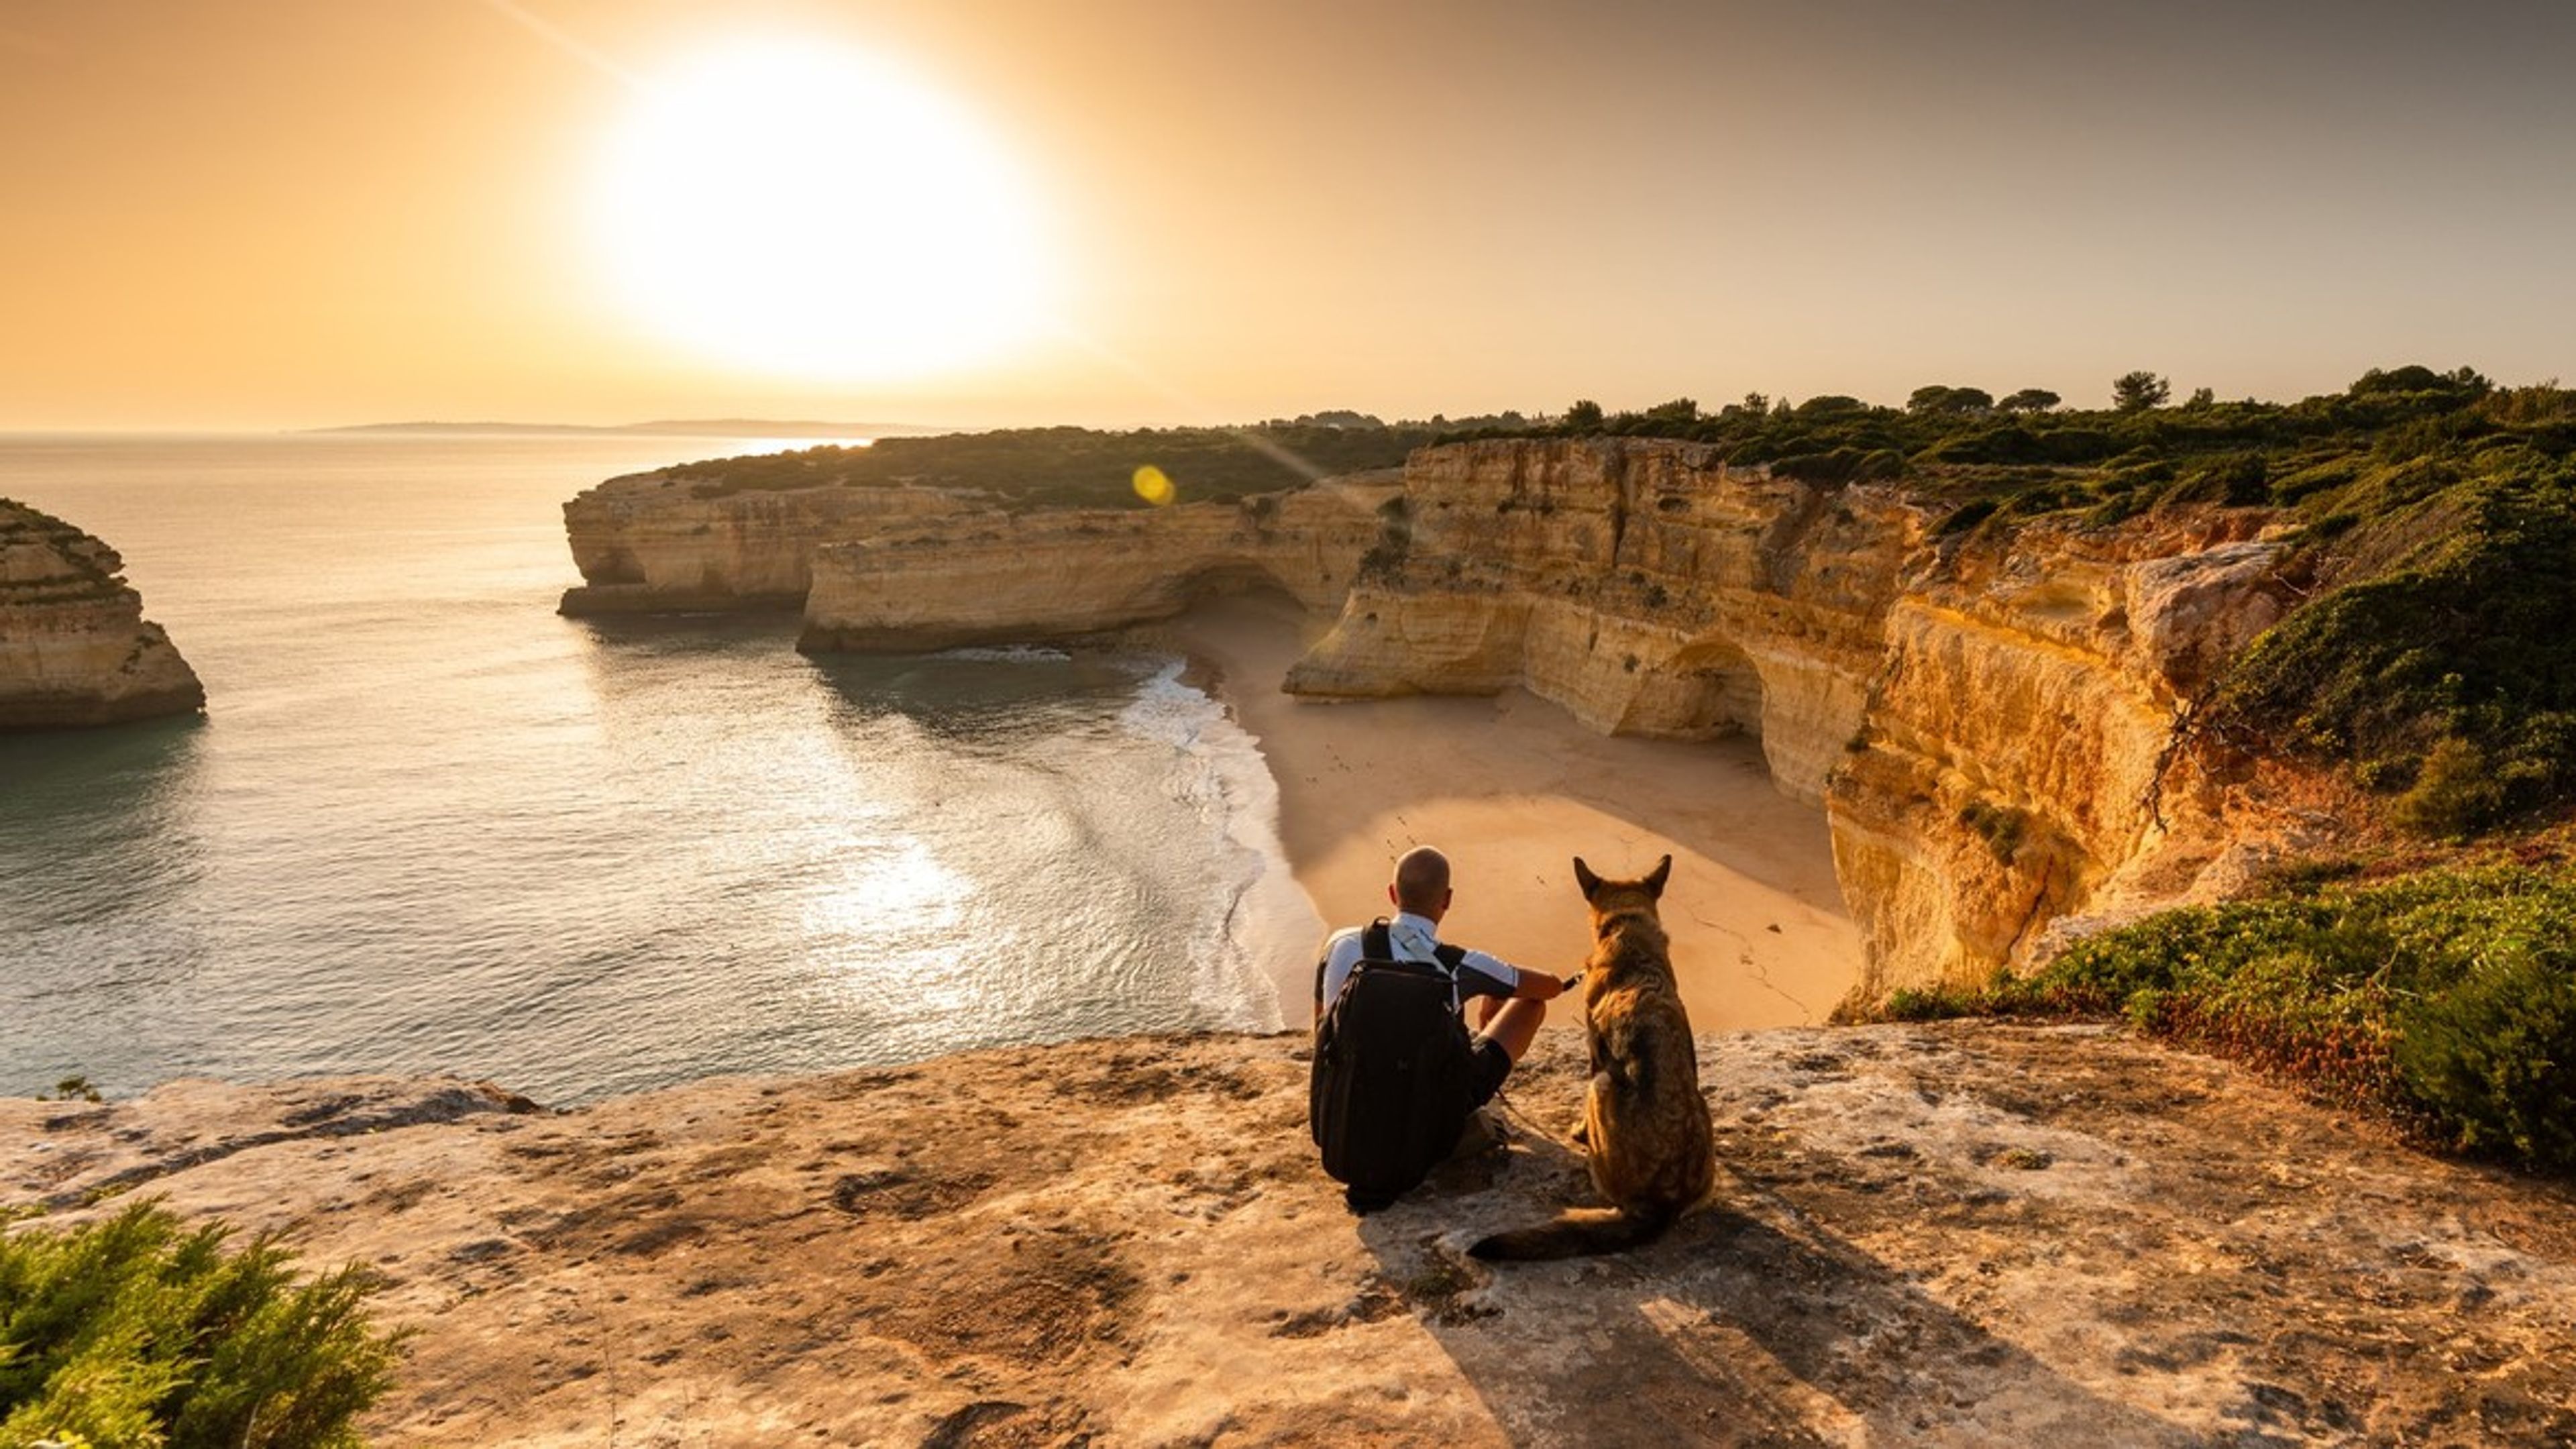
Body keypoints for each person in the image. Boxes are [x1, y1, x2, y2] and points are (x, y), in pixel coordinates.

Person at [1314, 845, 1566, 1124]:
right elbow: (1550, 987)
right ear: (1447, 899)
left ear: (1392, 894)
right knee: (1529, 1005)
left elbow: (1321, 1032)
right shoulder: (1460, 964)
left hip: (1344, 1116)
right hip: (1424, 1125)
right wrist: (1491, 1003)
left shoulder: (1340, 943)